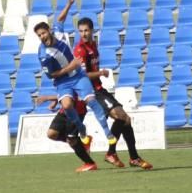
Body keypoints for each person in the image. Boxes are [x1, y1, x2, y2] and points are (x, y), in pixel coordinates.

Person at [74, 10, 152, 170]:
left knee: (125, 119)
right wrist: (101, 72)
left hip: (99, 89)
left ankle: (126, 156)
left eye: (86, 30)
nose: (84, 34)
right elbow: (83, 75)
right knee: (121, 117)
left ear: (92, 30)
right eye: (81, 31)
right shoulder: (80, 49)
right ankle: (124, 155)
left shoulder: (93, 46)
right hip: (92, 91)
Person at [35, 19, 114, 162]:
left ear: (49, 31)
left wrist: (69, 4)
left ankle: (90, 160)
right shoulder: (44, 55)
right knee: (53, 132)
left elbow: (59, 19)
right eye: (39, 35)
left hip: (78, 100)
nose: (42, 37)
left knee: (72, 136)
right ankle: (84, 138)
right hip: (65, 89)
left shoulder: (61, 36)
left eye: (43, 33)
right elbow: (52, 75)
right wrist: (54, 98)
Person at [37, 94, 99, 172]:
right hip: (64, 111)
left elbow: (70, 94)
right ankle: (82, 142)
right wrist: (56, 101)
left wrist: (47, 97)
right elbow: (62, 91)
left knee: (71, 139)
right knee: (51, 134)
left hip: (77, 112)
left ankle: (90, 163)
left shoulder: (78, 81)